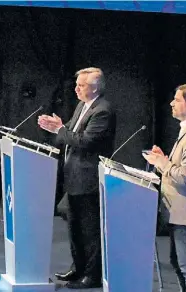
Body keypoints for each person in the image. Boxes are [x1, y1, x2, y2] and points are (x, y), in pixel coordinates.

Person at [38, 67, 116, 289]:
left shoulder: (103, 110)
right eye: (77, 84)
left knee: (90, 230)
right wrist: (59, 128)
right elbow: (72, 133)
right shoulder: (83, 105)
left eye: (81, 85)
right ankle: (78, 268)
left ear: (95, 87)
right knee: (74, 227)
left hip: (88, 178)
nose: (76, 88)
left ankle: (92, 275)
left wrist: (60, 130)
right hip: (73, 175)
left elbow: (85, 141)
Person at [143, 83, 186, 292]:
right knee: (178, 262)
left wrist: (162, 163)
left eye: (177, 100)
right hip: (178, 211)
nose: (171, 103)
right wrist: (164, 159)